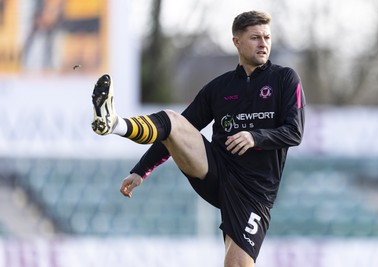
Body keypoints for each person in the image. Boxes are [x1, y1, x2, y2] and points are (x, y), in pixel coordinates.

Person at [91, 11, 305, 267]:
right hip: (215, 170)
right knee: (171, 120)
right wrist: (140, 170)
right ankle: (115, 123)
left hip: (254, 191)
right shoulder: (218, 88)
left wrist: (254, 136)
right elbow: (176, 130)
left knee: (235, 265)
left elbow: (295, 131)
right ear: (236, 41)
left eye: (267, 37)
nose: (263, 44)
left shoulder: (284, 79)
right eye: (255, 37)